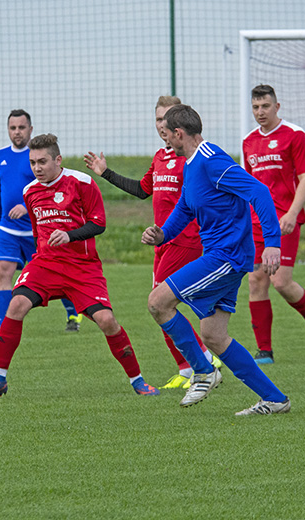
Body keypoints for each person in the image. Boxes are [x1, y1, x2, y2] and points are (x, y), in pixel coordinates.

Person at [0, 134, 160, 398]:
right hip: (46, 264)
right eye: (32, 163)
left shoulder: (82, 182)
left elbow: (99, 224)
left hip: (82, 267)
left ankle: (138, 381)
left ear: (57, 159)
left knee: (107, 321)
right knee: (16, 306)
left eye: (42, 162)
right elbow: (39, 231)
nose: (36, 168)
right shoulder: (30, 192)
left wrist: (69, 235)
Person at [142, 104, 291, 415]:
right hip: (221, 255)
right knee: (213, 335)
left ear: (179, 134)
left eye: (167, 133)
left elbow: (260, 192)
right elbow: (185, 206)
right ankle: (275, 399)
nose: (164, 138)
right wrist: (163, 235)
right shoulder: (191, 165)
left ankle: (203, 371)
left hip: (227, 256)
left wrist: (273, 244)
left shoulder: (212, 161)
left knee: (158, 302)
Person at [84, 95, 220, 390]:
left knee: (160, 302)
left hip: (185, 240)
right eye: (158, 119)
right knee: (168, 303)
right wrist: (105, 173)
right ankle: (194, 363)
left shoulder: (194, 159)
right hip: (162, 242)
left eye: (168, 118)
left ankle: (199, 362)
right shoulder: (160, 157)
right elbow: (143, 190)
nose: (163, 125)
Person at [243, 84, 305, 364]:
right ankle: (264, 351)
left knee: (281, 281)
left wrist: (292, 213)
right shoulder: (248, 142)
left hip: (284, 220)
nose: (260, 112)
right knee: (256, 280)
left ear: (276, 107)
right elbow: (248, 186)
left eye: (265, 106)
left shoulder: (296, 135)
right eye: (255, 107)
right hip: (257, 222)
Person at [0, 109, 82, 337]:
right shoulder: (0, 157)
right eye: (12, 128)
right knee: (3, 272)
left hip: (38, 230)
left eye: (21, 127)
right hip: (8, 229)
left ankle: (73, 315)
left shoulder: (38, 158)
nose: (17, 132)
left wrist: (25, 207)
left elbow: (50, 190)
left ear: (30, 129)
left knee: (55, 275)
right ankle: (2, 324)